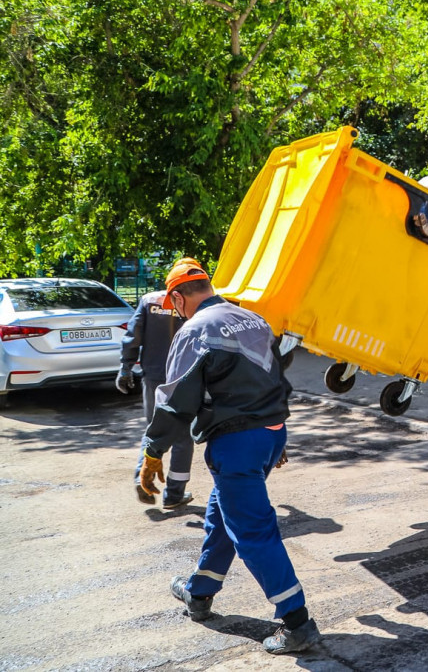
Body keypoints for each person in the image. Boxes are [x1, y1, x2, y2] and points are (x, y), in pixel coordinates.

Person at [137, 261, 320, 654]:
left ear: (177, 297)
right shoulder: (250, 319)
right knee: (222, 514)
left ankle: (297, 621)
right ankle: (199, 592)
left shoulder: (194, 331)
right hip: (270, 435)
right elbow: (274, 377)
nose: (175, 311)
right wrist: (275, 434)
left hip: (237, 443)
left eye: (174, 305)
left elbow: (175, 403)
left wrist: (153, 452)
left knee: (254, 530)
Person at [118, 258, 199, 509]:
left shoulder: (149, 301)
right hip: (184, 376)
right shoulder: (196, 304)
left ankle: (141, 479)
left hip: (153, 374)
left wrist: (125, 367)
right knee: (183, 435)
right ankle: (174, 494)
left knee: (154, 429)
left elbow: (133, 336)